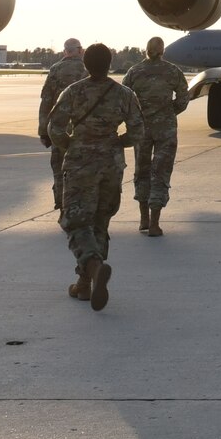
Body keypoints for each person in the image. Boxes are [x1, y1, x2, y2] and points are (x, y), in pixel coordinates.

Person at [44, 42, 147, 310]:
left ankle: (92, 264)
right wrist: (114, 143)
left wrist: (73, 145)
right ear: (110, 64)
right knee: (100, 222)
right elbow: (138, 132)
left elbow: (54, 128)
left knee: (76, 221)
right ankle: (84, 284)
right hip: (112, 164)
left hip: (81, 163)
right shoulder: (124, 94)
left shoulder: (73, 92)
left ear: (85, 65)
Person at [121, 36, 189, 236]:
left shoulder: (134, 71)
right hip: (165, 129)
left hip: (142, 128)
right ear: (163, 50)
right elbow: (184, 97)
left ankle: (143, 218)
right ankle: (154, 223)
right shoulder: (172, 71)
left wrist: (138, 116)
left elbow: (125, 97)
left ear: (146, 50)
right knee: (160, 171)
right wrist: (169, 112)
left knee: (142, 170)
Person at [37, 39, 88, 209]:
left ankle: (61, 205)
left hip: (59, 128)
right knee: (81, 169)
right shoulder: (86, 69)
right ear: (80, 50)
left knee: (59, 169)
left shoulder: (55, 69)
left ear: (65, 51)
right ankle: (78, 205)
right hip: (82, 129)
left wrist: (43, 131)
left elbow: (46, 102)